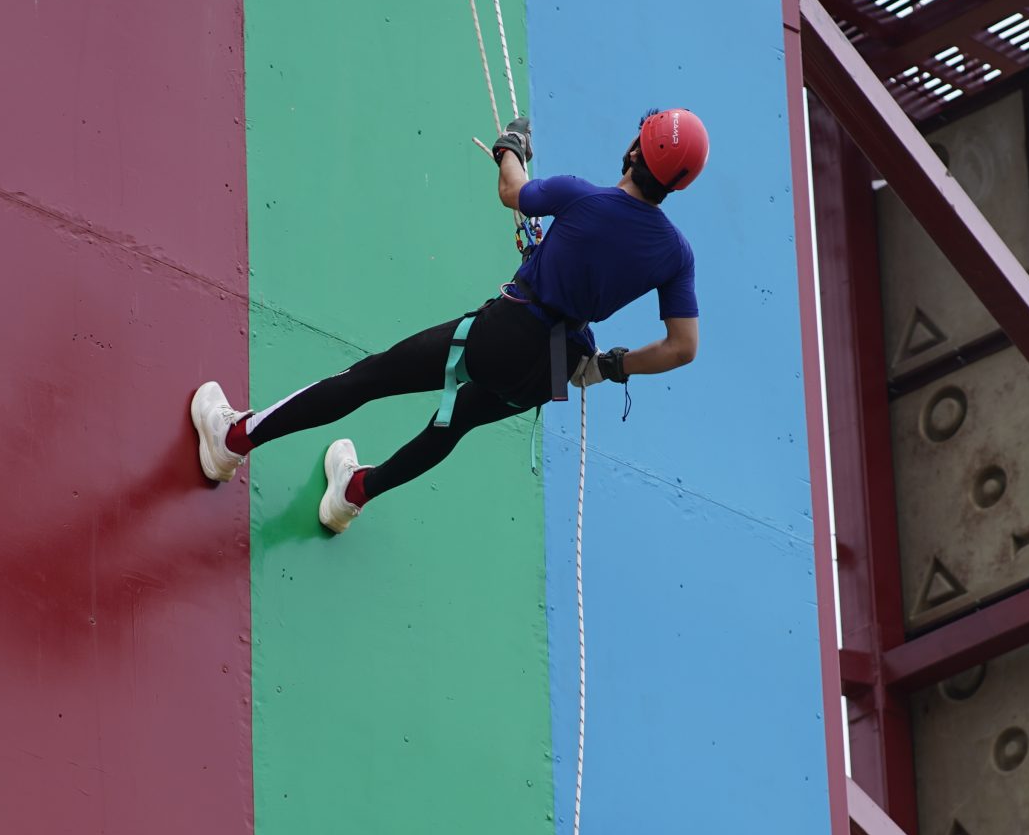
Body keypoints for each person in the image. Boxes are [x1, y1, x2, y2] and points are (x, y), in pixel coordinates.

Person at [190, 107, 710, 532]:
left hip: (507, 332)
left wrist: (509, 148)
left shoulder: (581, 197)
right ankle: (351, 495)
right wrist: (608, 367)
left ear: (635, 150)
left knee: (370, 378)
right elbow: (682, 346)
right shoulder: (675, 254)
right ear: (678, 185)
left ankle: (233, 439)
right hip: (556, 363)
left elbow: (514, 191)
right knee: (452, 425)